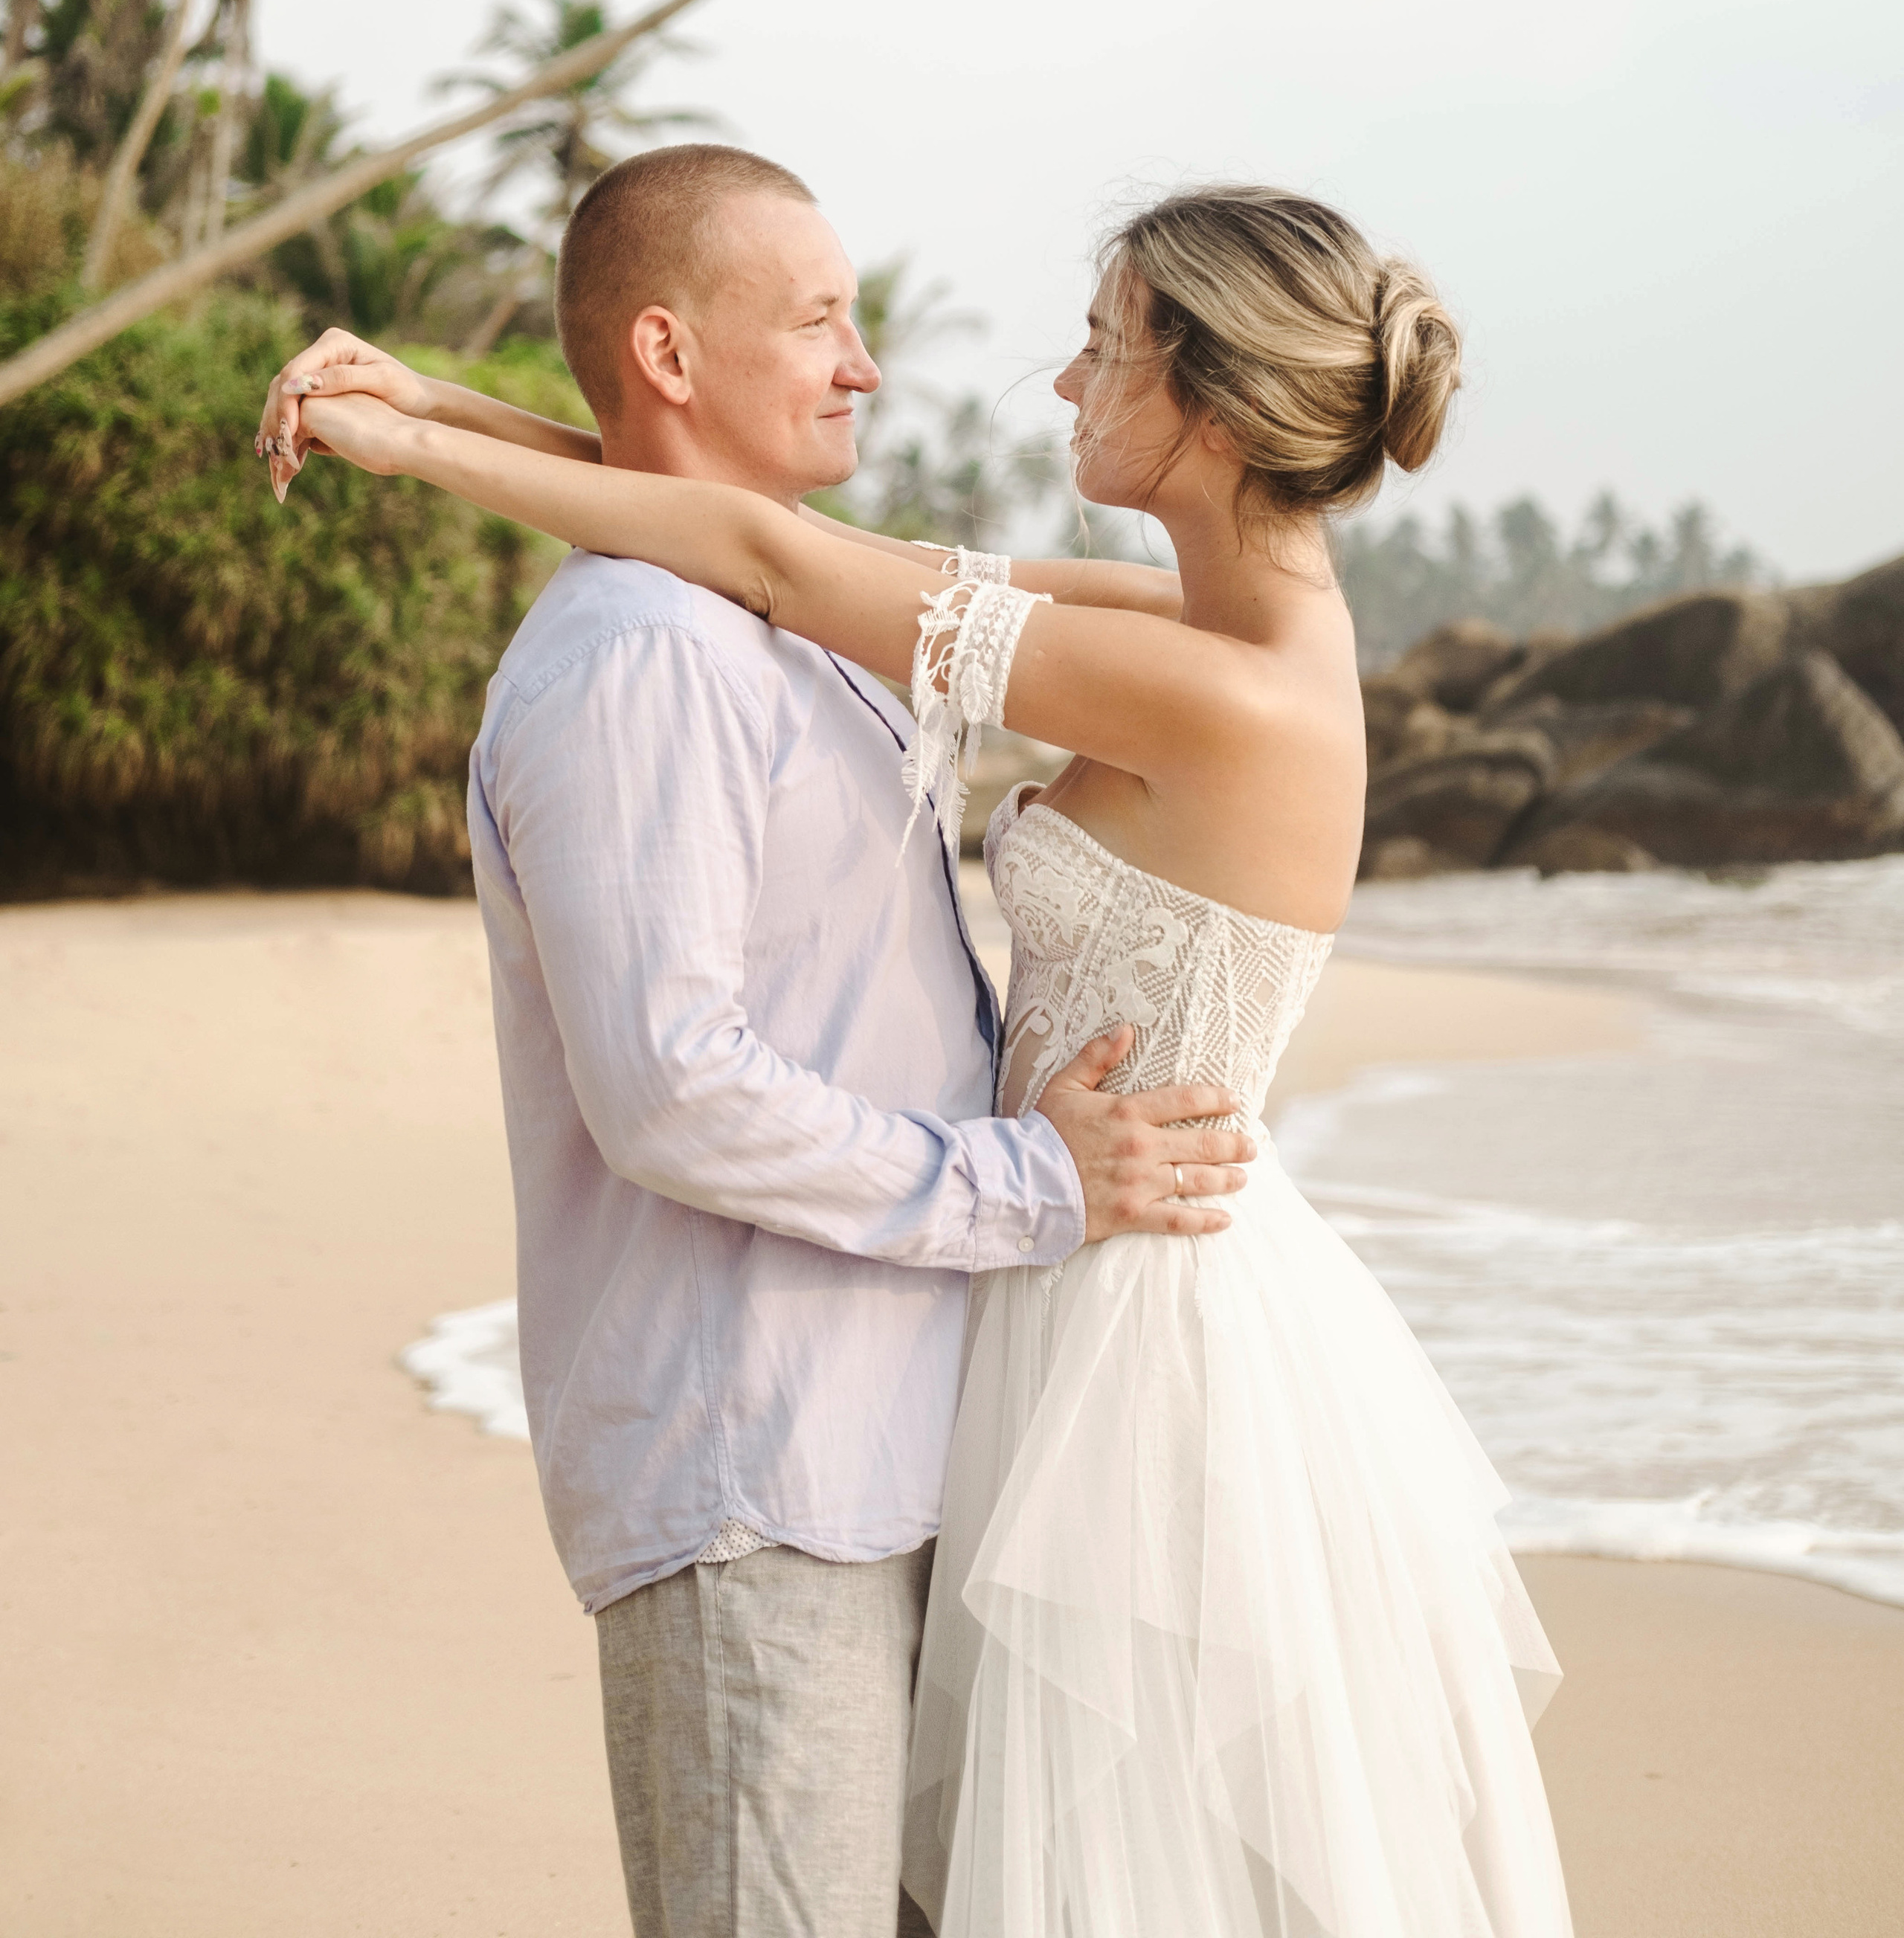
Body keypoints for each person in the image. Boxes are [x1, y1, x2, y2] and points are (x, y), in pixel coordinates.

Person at [263, 171, 1576, 1937]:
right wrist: (432, 399)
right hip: (1013, 1302)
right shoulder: (1204, 627)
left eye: (1099, 350)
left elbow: (764, 554)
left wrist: (406, 444)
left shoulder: (1219, 685)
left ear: (1199, 398)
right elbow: (786, 543)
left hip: (1127, 1318)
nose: (1056, 387)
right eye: (819, 319)